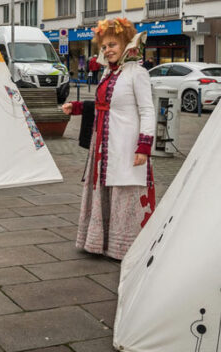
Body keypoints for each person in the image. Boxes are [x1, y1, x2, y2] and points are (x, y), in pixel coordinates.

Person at [62, 17, 155, 260]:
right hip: (103, 144)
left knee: (124, 191)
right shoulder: (107, 72)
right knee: (106, 190)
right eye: (104, 47)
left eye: (112, 44)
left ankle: (123, 247)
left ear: (126, 43)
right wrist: (79, 106)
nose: (107, 50)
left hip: (125, 143)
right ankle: (99, 243)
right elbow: (106, 104)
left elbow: (148, 111)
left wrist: (144, 146)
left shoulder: (138, 73)